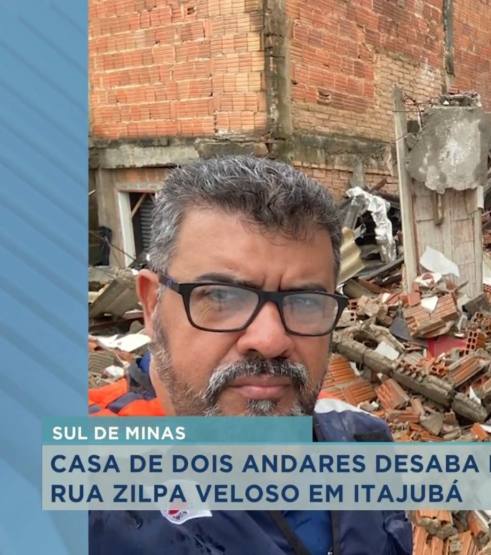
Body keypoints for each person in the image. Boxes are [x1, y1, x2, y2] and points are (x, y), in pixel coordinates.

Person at [88, 157, 413, 555]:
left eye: (305, 300)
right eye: (222, 296)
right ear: (152, 306)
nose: (271, 339)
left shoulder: (362, 440)